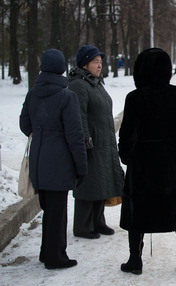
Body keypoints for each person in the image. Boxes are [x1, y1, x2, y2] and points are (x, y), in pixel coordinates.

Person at [118, 48, 176, 275]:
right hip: (172, 162)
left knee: (137, 209)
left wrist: (125, 156)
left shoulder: (134, 98)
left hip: (142, 164)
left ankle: (135, 260)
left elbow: (126, 134)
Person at [19, 49, 87, 269]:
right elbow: (75, 135)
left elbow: (24, 125)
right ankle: (55, 257)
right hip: (60, 161)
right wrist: (81, 166)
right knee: (58, 212)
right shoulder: (67, 96)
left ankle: (46, 252)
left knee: (49, 209)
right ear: (61, 69)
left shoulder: (32, 94)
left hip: (39, 160)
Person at [68, 45, 124, 239]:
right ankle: (83, 226)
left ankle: (98, 222)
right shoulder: (78, 85)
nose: (99, 65)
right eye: (95, 62)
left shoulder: (95, 82)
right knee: (88, 183)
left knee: (101, 181)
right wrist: (85, 140)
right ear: (85, 64)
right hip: (91, 142)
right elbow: (79, 116)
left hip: (104, 140)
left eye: (100, 62)